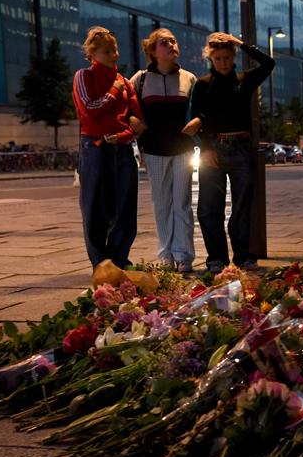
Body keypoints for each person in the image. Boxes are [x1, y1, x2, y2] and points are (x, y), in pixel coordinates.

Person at [184, 32, 274, 273]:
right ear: (211, 59)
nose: (222, 62)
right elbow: (196, 117)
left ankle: (244, 256)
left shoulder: (244, 80)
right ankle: (216, 258)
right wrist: (204, 149)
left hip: (241, 149)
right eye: (217, 58)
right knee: (208, 207)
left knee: (242, 206)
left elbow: (269, 63)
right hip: (213, 149)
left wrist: (240, 43)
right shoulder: (203, 85)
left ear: (233, 56)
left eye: (226, 57)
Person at [72, 26, 146, 270]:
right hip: (95, 146)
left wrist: (124, 133)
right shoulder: (84, 76)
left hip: (122, 148)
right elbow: (90, 108)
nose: (114, 55)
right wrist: (114, 92)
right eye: (106, 51)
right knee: (95, 207)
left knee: (125, 207)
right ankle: (101, 263)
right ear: (93, 54)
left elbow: (138, 121)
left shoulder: (125, 81)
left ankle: (119, 259)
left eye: (115, 50)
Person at [130, 29, 197, 273]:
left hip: (183, 149)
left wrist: (198, 121)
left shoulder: (189, 78)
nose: (170, 44)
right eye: (163, 42)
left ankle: (184, 255)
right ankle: (166, 255)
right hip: (154, 150)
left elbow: (200, 108)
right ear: (152, 51)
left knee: (183, 202)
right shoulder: (141, 78)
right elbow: (125, 104)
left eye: (173, 40)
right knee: (162, 203)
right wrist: (132, 119)